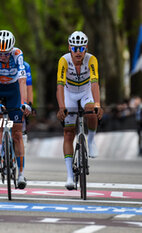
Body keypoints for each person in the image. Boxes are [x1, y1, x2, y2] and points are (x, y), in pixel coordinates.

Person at [0, 30, 31, 189]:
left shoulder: (18, 54)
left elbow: (23, 81)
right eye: (0, 53)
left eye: (6, 53)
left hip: (13, 90)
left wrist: (24, 103)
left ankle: (21, 174)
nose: (3, 56)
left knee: (17, 133)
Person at [56, 31, 103, 190]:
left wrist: (97, 103)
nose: (78, 52)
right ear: (70, 47)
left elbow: (95, 82)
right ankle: (70, 175)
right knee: (69, 132)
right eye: (74, 48)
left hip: (86, 92)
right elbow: (60, 86)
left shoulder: (92, 59)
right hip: (69, 94)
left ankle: (90, 141)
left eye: (81, 48)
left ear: (86, 48)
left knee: (91, 111)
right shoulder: (64, 60)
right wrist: (62, 106)